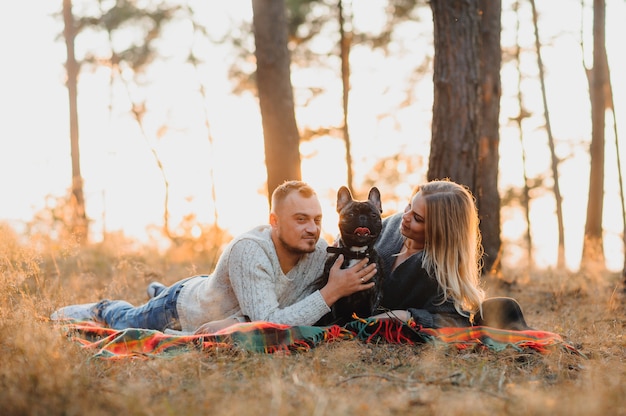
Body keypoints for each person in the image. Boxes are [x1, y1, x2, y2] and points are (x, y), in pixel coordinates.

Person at [50, 180, 378, 334]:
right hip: (182, 311)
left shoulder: (321, 250)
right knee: (126, 320)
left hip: (212, 291)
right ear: (274, 221)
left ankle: (158, 288)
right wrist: (332, 292)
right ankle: (104, 306)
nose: (312, 229)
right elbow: (267, 322)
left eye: (317, 219)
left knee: (206, 290)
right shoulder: (249, 250)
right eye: (300, 219)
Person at [371, 179, 530, 330]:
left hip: (365, 325)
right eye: (409, 206)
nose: (405, 217)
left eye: (417, 218)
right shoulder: (388, 226)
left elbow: (454, 320)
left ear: (439, 230)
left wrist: (406, 316)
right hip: (347, 308)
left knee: (506, 307)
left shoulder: (440, 268)